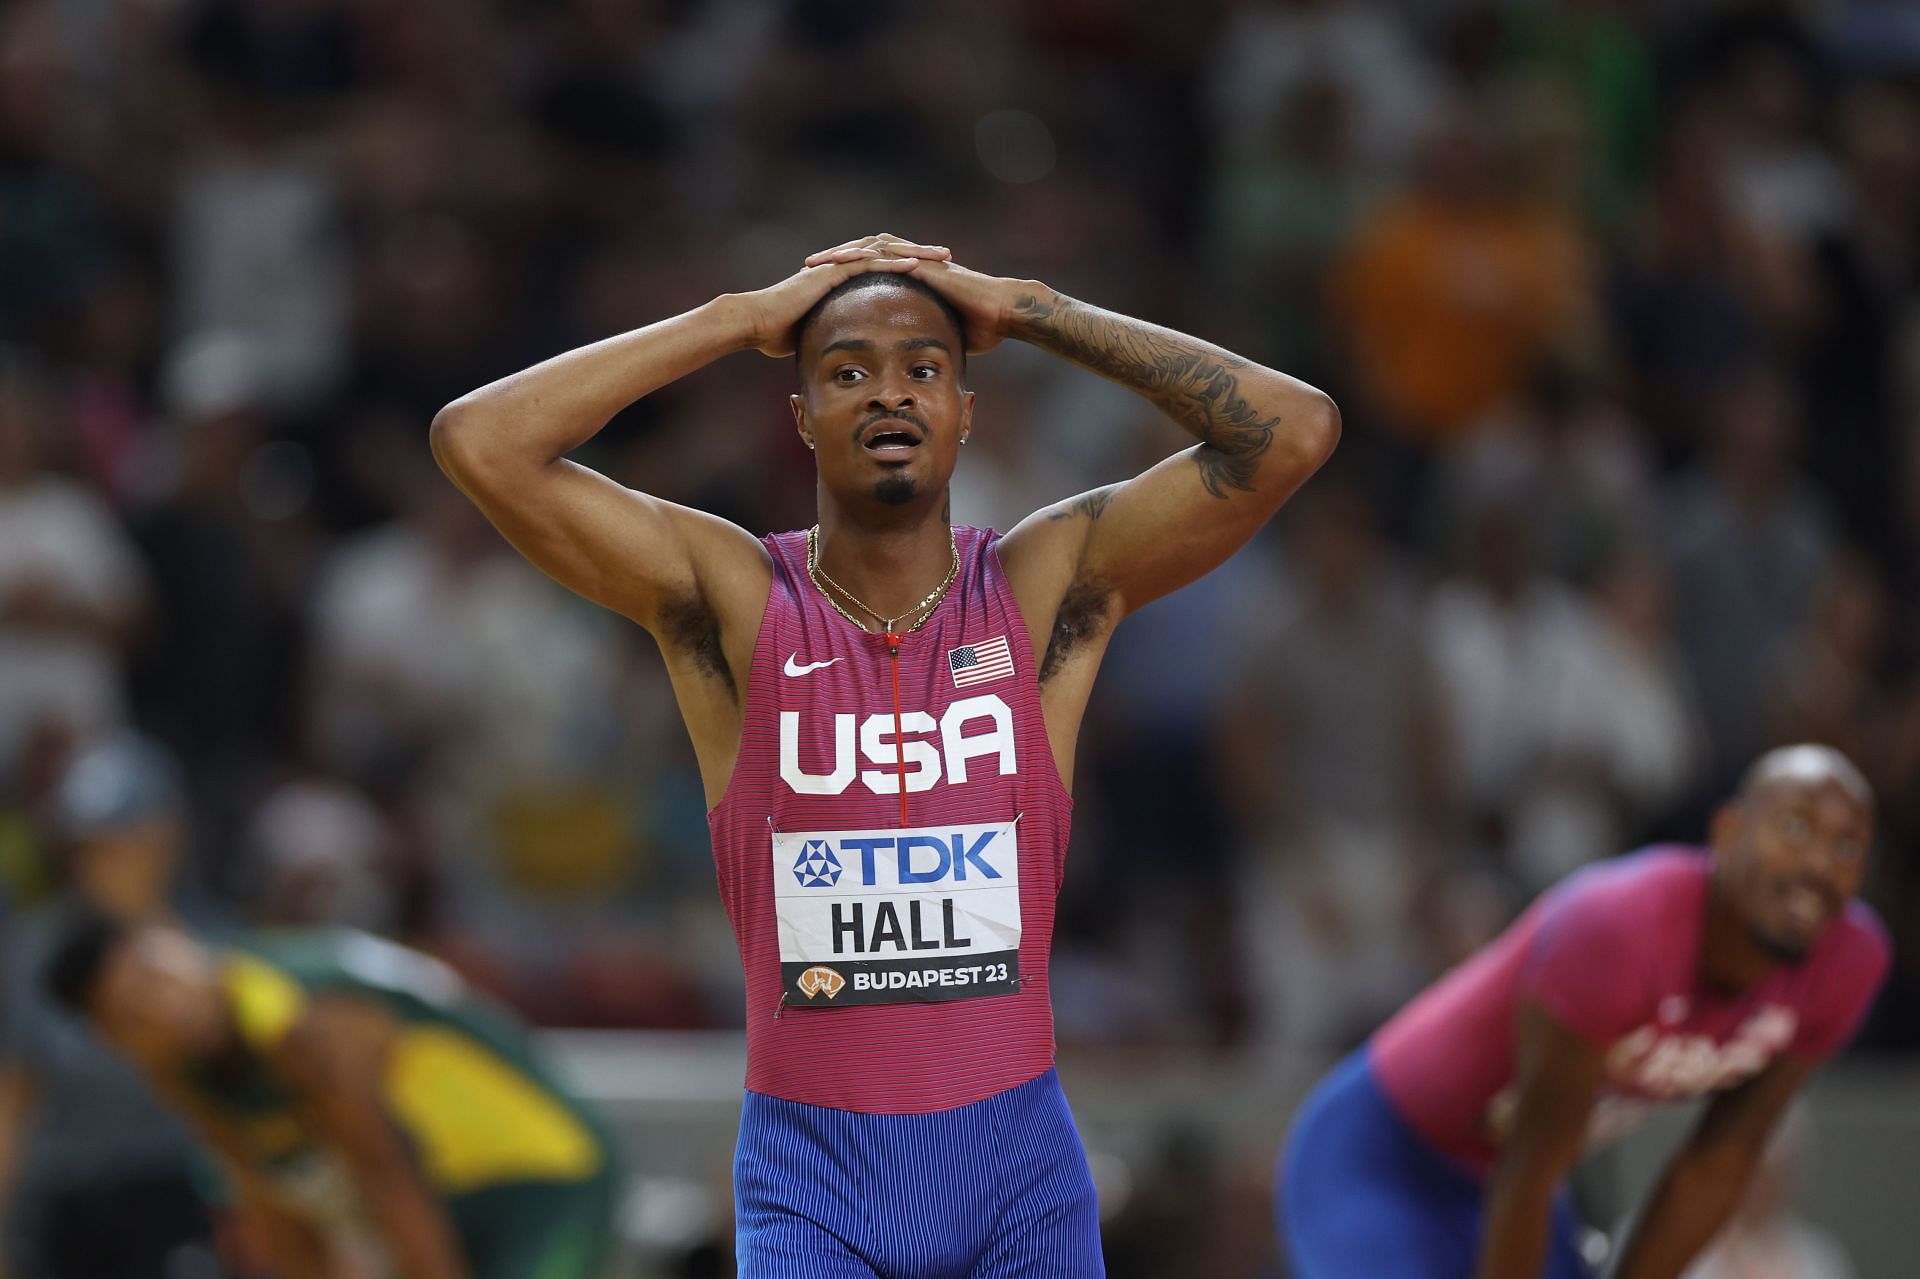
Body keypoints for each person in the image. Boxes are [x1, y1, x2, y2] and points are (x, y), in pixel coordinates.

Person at [431, 232, 1339, 1275]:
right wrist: (737, 318)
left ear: (966, 409)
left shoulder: (1044, 585)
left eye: (924, 370)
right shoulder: (732, 600)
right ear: (802, 416)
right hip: (814, 1182)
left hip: (1020, 1180)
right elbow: (480, 440)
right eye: (847, 372)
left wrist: (1031, 308)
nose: (889, 395)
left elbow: (1293, 429)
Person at [1278, 744, 1890, 1279]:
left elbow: (1720, 1160)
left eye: (1847, 845)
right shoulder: (1619, 927)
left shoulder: (1847, 964)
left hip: (1518, 1181)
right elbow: (1531, 1159)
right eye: (1796, 829)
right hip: (1385, 1158)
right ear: (1728, 831)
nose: (1819, 865)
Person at [45, 916, 619, 1279]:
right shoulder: (179, 1067)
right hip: (443, 1203)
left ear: (174, 936)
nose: (162, 1011)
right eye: (133, 1016)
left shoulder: (303, 1027)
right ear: (113, 1043)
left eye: (154, 980)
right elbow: (276, 1210)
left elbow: (394, 1189)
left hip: (546, 1180)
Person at [0, 735, 215, 1279]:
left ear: (169, 838)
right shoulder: (38, 954)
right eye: (88, 843)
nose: (101, 861)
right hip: (64, 1207)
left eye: (123, 839)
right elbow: (14, 1094)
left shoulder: (213, 948)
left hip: (177, 1200)